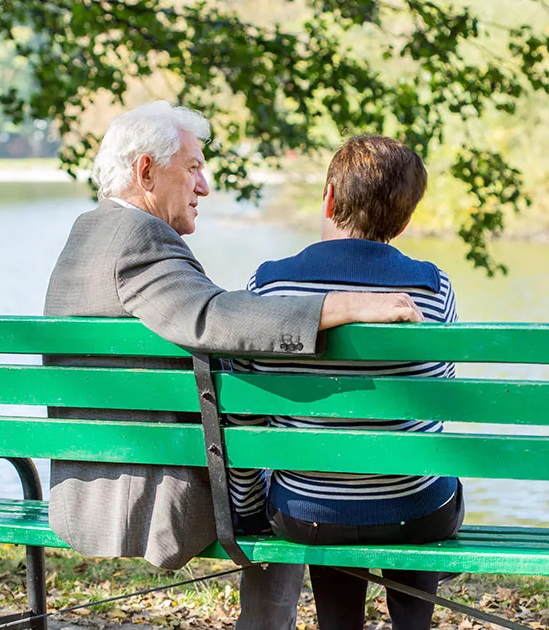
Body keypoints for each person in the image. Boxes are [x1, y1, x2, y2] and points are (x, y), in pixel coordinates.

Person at [42, 103, 425, 630]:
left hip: (93, 476)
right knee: (276, 469)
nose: (204, 186)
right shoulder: (139, 241)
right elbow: (211, 315)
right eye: (193, 167)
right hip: (147, 492)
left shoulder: (89, 233)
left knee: (267, 447)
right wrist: (343, 305)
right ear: (145, 171)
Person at [228, 135, 465, 630]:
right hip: (414, 509)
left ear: (330, 199)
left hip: (306, 511)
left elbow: (245, 409)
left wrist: (249, 509)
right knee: (424, 478)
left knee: (327, 500)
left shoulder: (269, 284)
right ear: (403, 219)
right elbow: (436, 401)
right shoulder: (432, 287)